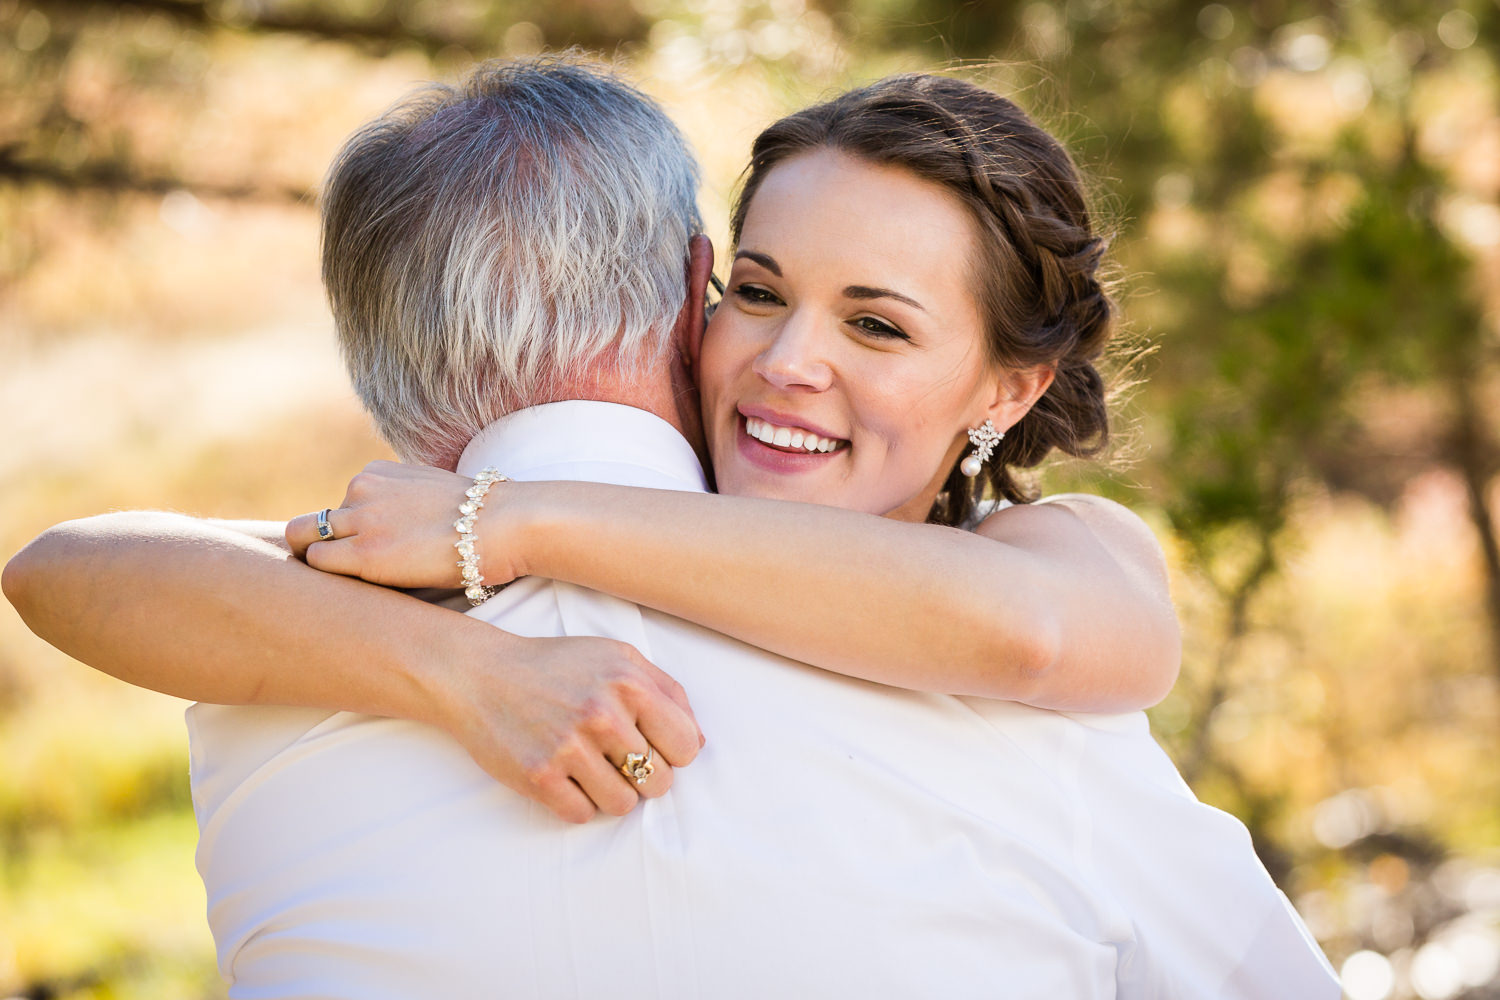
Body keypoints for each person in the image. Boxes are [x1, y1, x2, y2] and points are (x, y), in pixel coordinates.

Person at [3, 55, 1339, 996]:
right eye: (761, 293)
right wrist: (472, 669)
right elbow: (61, 568)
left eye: (877, 323)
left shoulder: (297, 649)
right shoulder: (1039, 752)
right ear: (697, 292)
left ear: (1010, 386)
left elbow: (1038, 633)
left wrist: (505, 526)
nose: (786, 362)